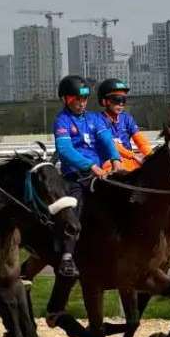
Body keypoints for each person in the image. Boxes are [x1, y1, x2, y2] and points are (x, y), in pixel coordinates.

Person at [51, 75, 120, 277]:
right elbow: (64, 150)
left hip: (99, 175)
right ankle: (67, 257)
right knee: (75, 212)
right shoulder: (62, 121)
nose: (81, 103)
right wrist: (90, 166)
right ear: (65, 99)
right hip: (76, 178)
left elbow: (106, 139)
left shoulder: (94, 119)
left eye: (84, 99)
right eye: (76, 99)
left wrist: (115, 158)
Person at [96, 78, 152, 172]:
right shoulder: (97, 120)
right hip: (110, 162)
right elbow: (112, 145)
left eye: (124, 99)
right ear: (104, 101)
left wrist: (151, 156)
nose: (121, 104)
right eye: (117, 99)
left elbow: (141, 141)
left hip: (131, 161)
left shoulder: (127, 118)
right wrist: (133, 155)